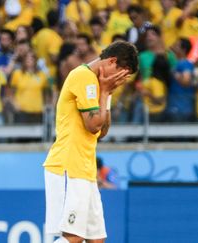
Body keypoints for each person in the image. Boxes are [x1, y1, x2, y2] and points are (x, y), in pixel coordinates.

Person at [43, 41, 138, 243]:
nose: (120, 81)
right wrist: (104, 93)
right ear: (112, 62)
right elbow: (93, 125)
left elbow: (102, 131)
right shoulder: (83, 77)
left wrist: (108, 94)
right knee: (74, 238)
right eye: (121, 74)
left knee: (96, 239)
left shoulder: (98, 84)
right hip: (68, 165)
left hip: (85, 169)